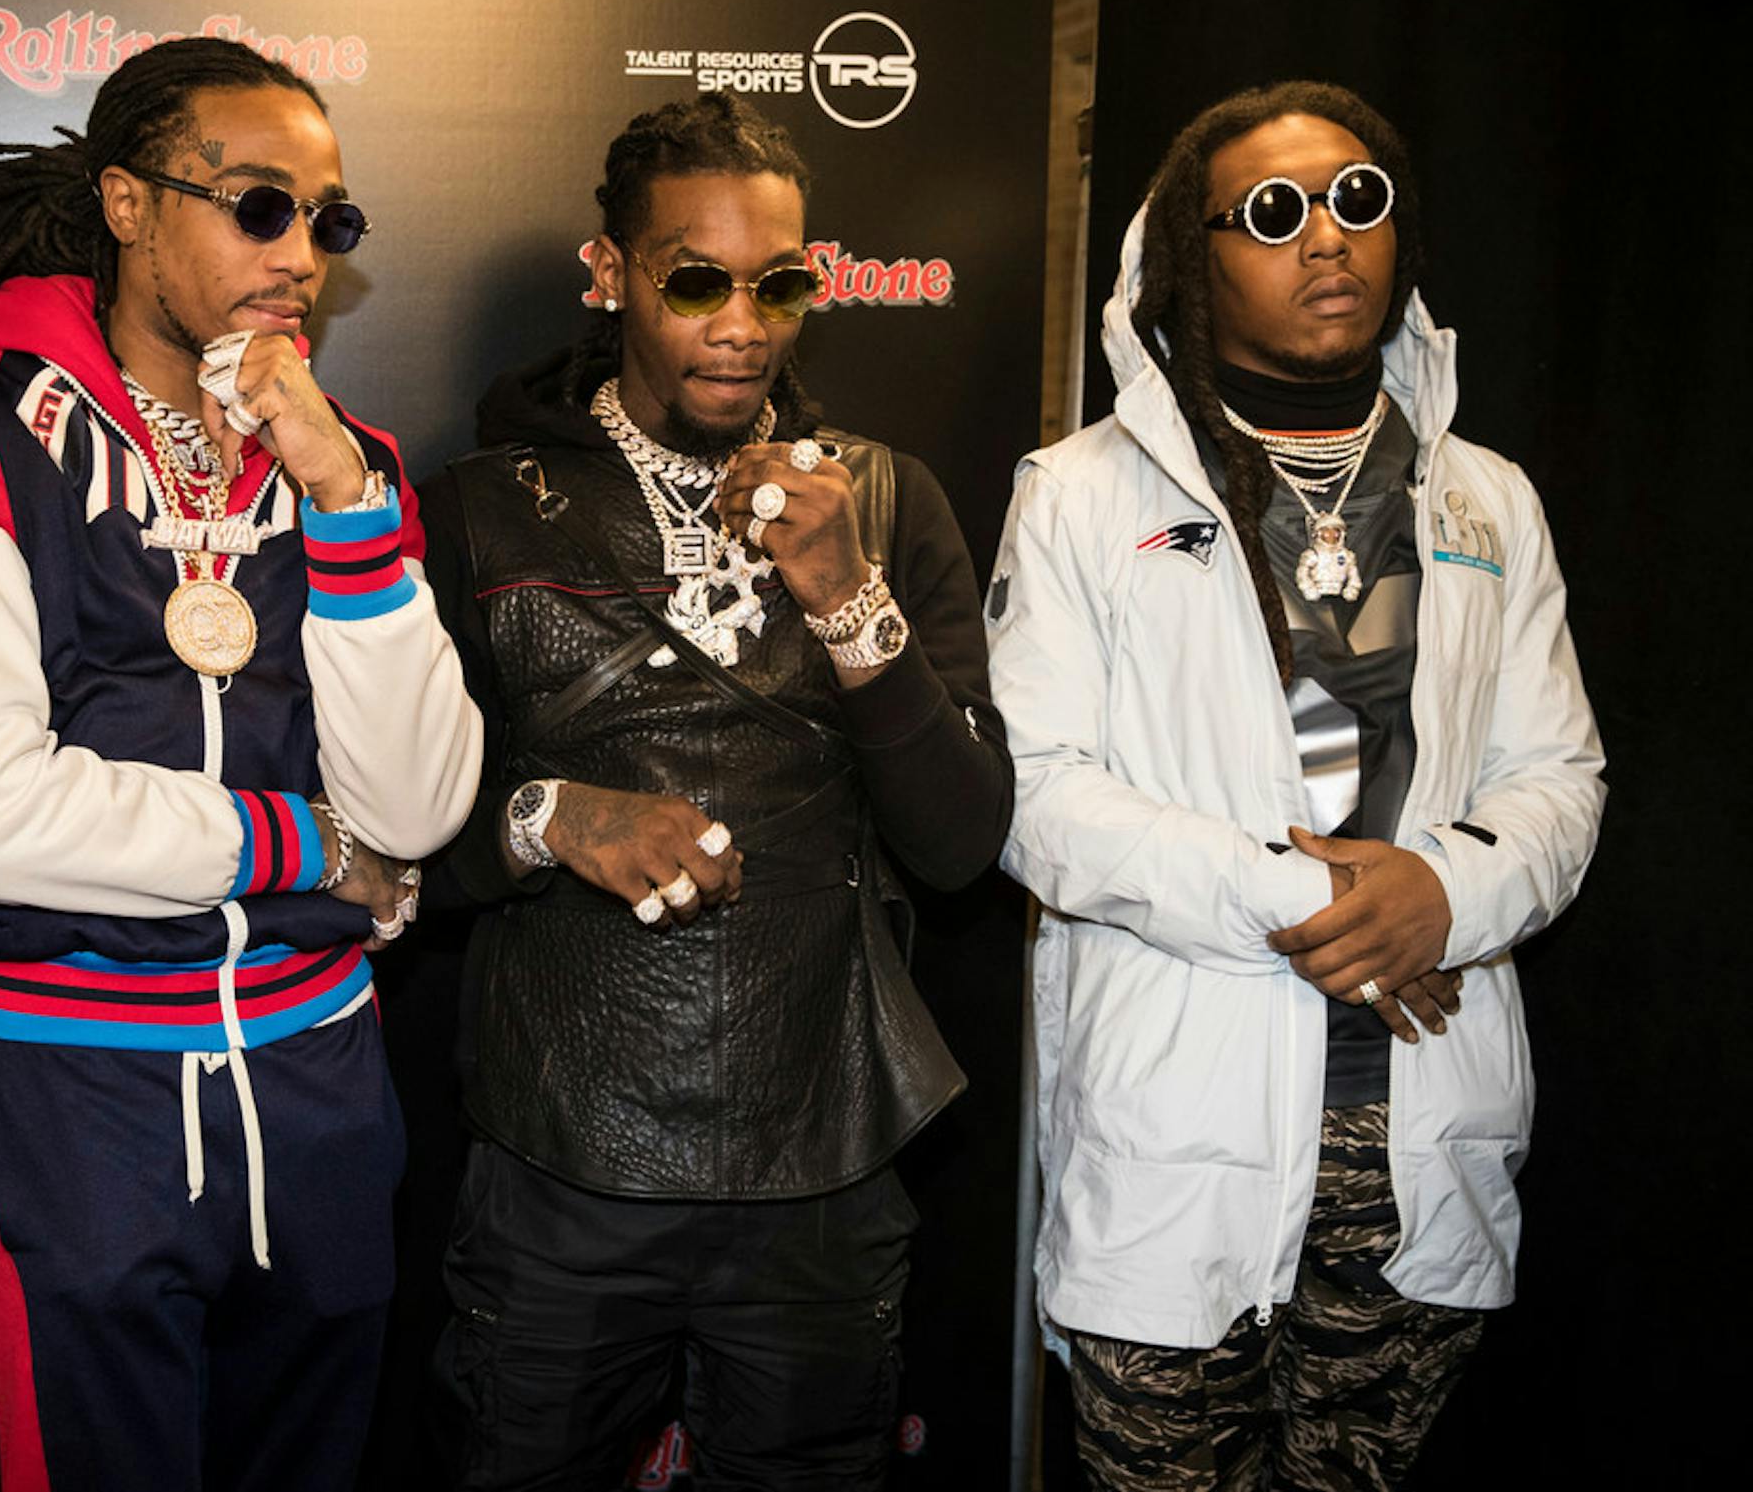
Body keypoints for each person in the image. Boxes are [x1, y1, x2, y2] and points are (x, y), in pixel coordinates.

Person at [0, 38, 481, 1491]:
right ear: (129, 204)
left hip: (322, 1076)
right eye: (259, 205)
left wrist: (340, 495)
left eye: (330, 222)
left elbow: (422, 805)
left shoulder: (351, 458)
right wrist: (303, 847)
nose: (303, 255)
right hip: (76, 1085)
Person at [986, 81, 1605, 1489]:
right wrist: (1324, 900)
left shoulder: (1487, 499)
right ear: (1193, 257)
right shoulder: (1082, 492)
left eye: (1359, 199)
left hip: (1421, 1143)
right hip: (1179, 1137)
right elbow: (1036, 794)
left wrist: (1448, 890)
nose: (1327, 237)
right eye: (1273, 212)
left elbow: (1560, 775)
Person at [415, 92, 1013, 1490]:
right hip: (565, 1153)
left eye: (782, 282)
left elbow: (963, 843)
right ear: (610, 273)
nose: (743, 322)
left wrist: (848, 597)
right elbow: (394, 836)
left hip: (821, 1149)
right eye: (695, 280)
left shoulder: (887, 497)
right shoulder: (480, 509)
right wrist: (554, 814)